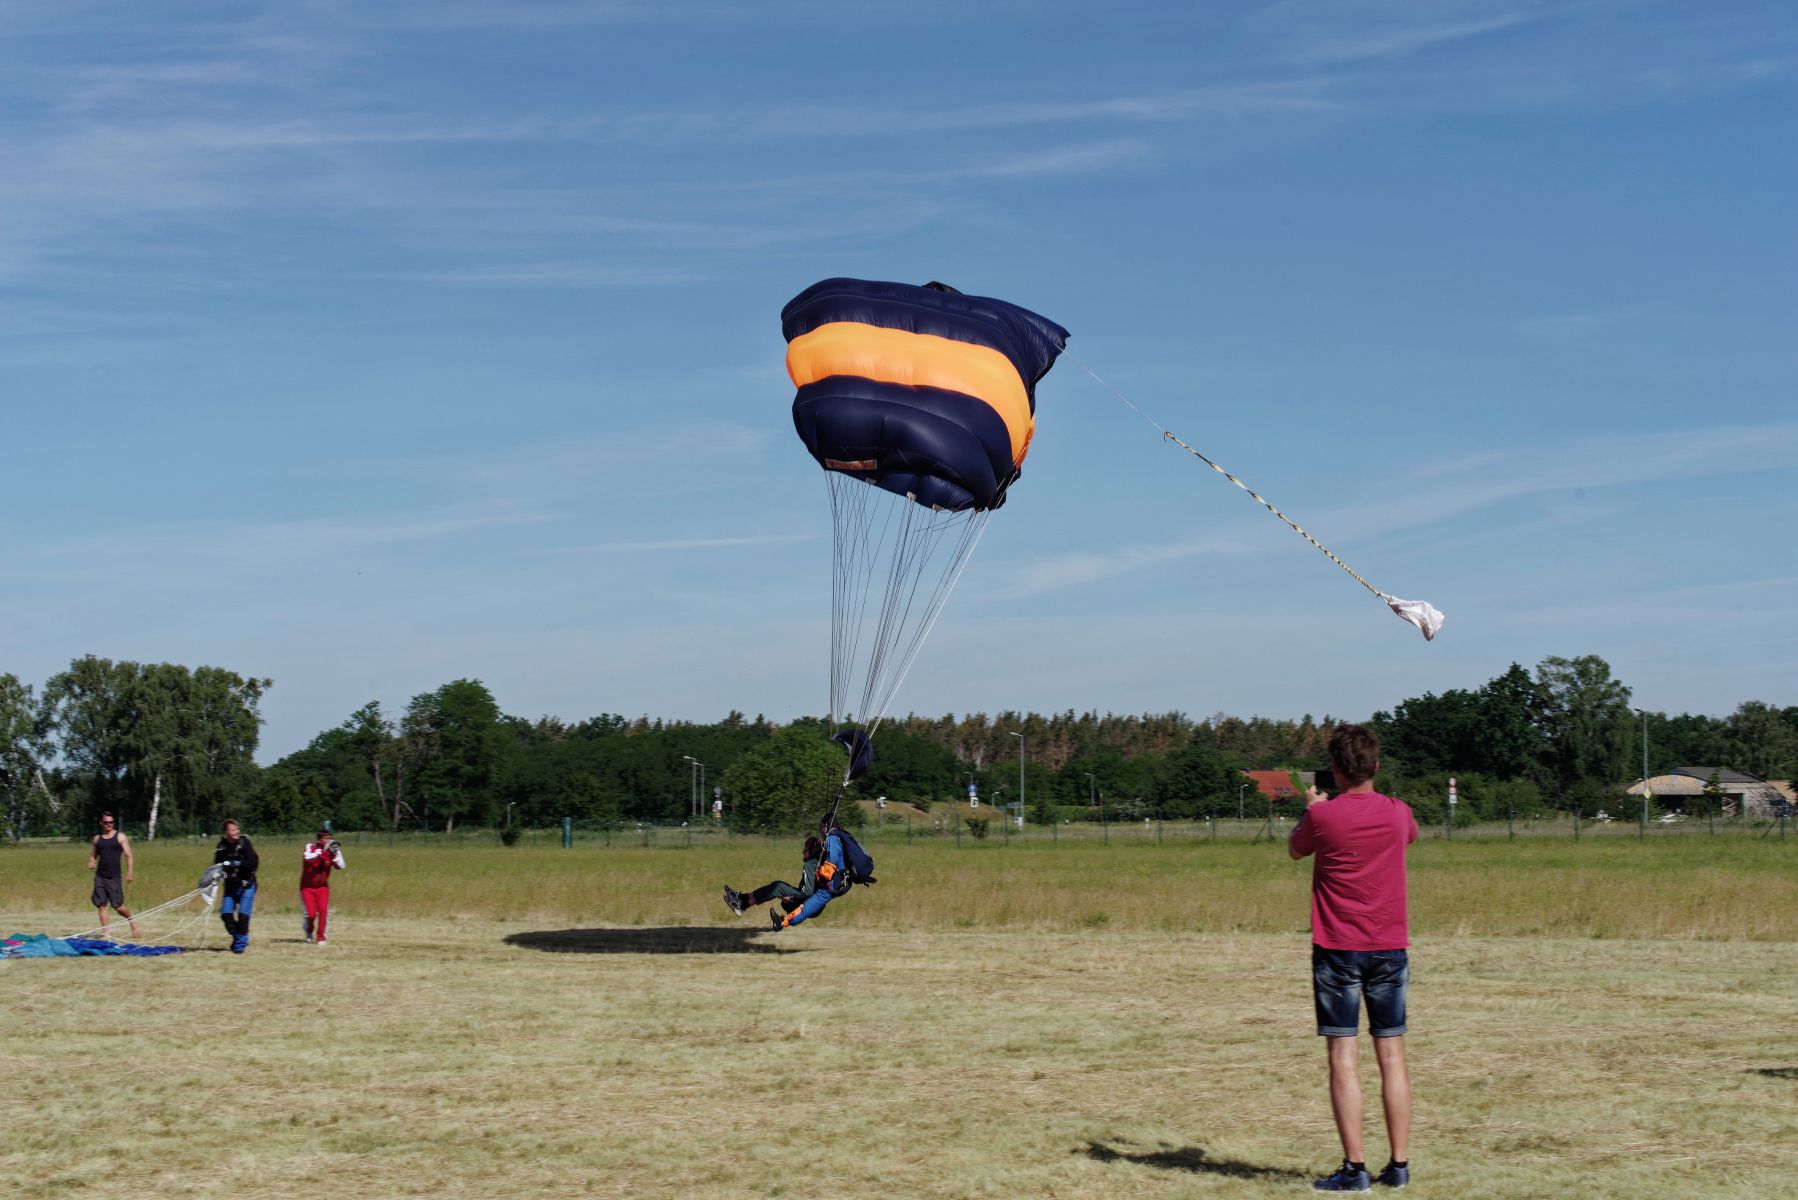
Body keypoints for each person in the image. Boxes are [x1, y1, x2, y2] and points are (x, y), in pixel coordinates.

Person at [1288, 723, 1418, 1193]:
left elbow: (1295, 850)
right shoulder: (1398, 812)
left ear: (1336, 769)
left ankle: (1355, 1168)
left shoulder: (1323, 817)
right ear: (1376, 766)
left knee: (1343, 1056)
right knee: (1392, 1055)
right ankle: (1399, 1165)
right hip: (1389, 946)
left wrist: (1311, 809)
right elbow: (1409, 836)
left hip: (1337, 948)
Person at [766, 818, 854, 931]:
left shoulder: (832, 839)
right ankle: (782, 921)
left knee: (801, 906)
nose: (820, 830)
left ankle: (782, 922)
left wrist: (792, 898)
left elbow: (831, 861)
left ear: (828, 827)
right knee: (798, 906)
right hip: (834, 887)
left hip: (829, 888)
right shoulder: (839, 838)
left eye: (822, 827)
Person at [723, 836, 822, 920]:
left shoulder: (809, 865)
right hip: (813, 905)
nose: (802, 851)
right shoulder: (816, 863)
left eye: (806, 850)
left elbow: (807, 893)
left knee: (778, 887)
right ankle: (741, 898)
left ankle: (742, 905)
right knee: (777, 885)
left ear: (812, 852)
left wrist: (791, 898)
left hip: (809, 905)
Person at [85, 812, 139, 939]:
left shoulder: (120, 837)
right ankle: (106, 933)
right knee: (102, 905)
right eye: (106, 822)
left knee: (118, 906)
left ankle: (132, 921)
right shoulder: (97, 839)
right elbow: (93, 855)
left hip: (114, 877)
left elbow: (128, 856)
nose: (108, 824)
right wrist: (91, 862)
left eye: (111, 822)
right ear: (101, 823)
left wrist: (130, 872)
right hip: (100, 877)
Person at [213, 819, 261, 955]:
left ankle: (240, 945)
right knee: (226, 915)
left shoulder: (244, 843)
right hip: (231, 886)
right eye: (233, 829)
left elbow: (253, 863)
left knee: (243, 917)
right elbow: (217, 865)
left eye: (237, 829)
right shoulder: (221, 847)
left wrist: (236, 862)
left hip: (246, 885)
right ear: (226, 832)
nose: (237, 832)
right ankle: (238, 937)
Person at [300, 828, 347, 946]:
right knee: (311, 914)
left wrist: (334, 854)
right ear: (319, 840)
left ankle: (321, 937)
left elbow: (341, 865)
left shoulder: (332, 851)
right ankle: (308, 930)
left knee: (323, 911)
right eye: (326, 838)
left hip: (322, 887)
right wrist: (323, 853)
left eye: (330, 838)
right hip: (307, 887)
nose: (329, 841)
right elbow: (308, 859)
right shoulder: (310, 847)